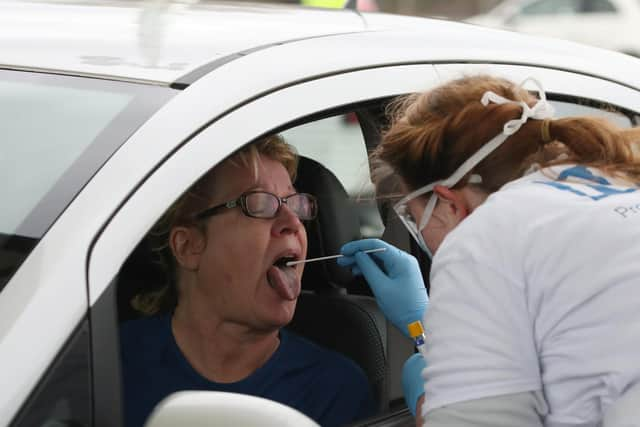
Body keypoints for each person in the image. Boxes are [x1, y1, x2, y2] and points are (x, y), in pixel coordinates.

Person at [337, 74, 640, 426]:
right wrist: (428, 336)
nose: (418, 232)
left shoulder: (484, 237)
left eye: (412, 216)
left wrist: (430, 403)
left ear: (448, 203)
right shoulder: (619, 187)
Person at [120, 135, 376, 427]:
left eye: (296, 204)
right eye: (259, 204)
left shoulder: (334, 389)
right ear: (188, 246)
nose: (293, 222)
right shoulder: (110, 367)